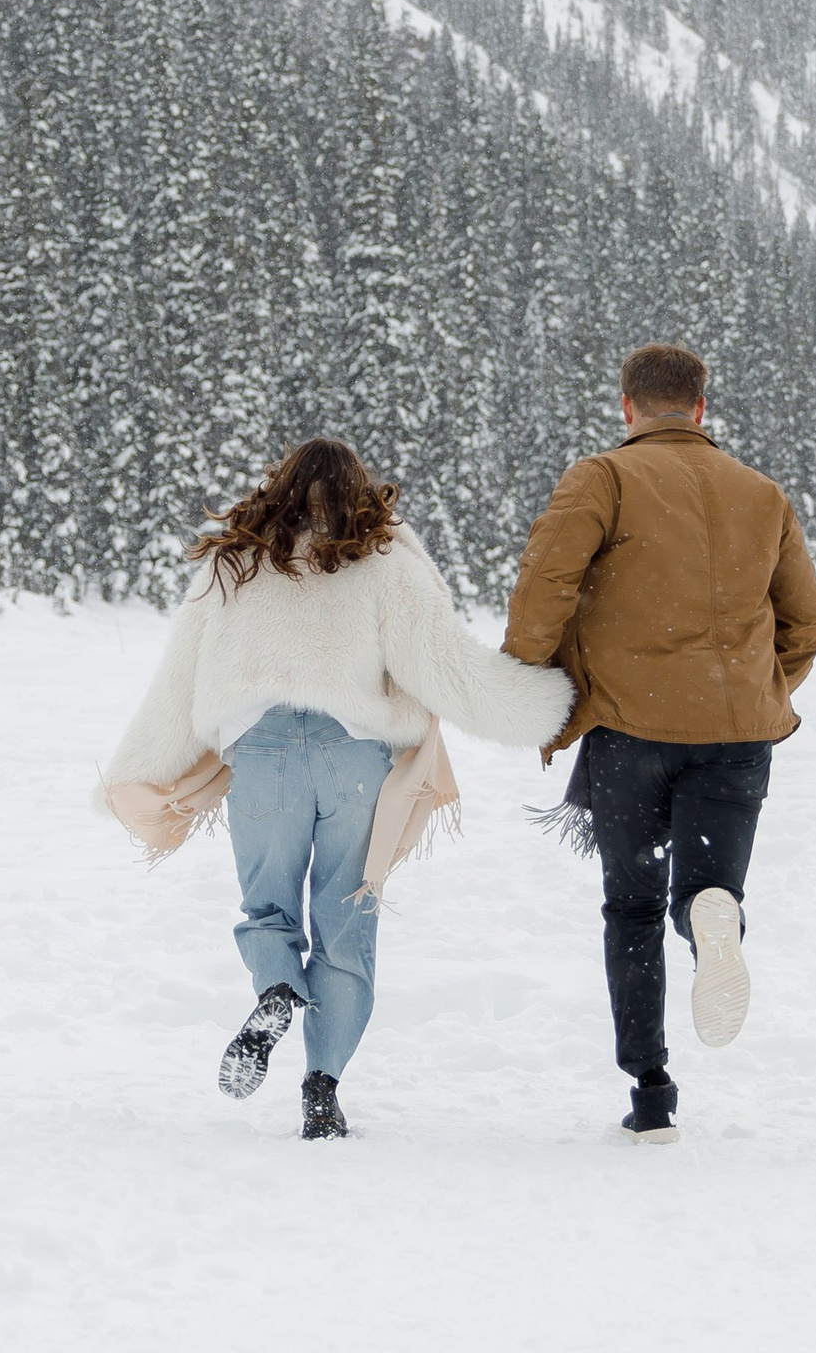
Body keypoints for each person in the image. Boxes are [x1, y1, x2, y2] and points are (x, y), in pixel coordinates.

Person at [101, 436, 573, 1137]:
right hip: (353, 756)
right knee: (347, 923)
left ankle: (275, 989)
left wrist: (136, 770)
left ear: (278, 485)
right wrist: (548, 705)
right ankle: (321, 1086)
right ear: (362, 490)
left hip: (260, 754)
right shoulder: (384, 566)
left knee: (267, 905)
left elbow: (179, 681)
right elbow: (448, 672)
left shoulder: (234, 563)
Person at [504, 342, 816, 1137]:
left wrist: (528, 679)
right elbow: (805, 622)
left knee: (633, 905)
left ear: (628, 407)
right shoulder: (762, 493)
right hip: (738, 737)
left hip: (631, 729)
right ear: (701, 408)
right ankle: (713, 914)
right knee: (708, 890)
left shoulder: (604, 478)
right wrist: (760, 690)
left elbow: (546, 584)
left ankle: (651, 1095)